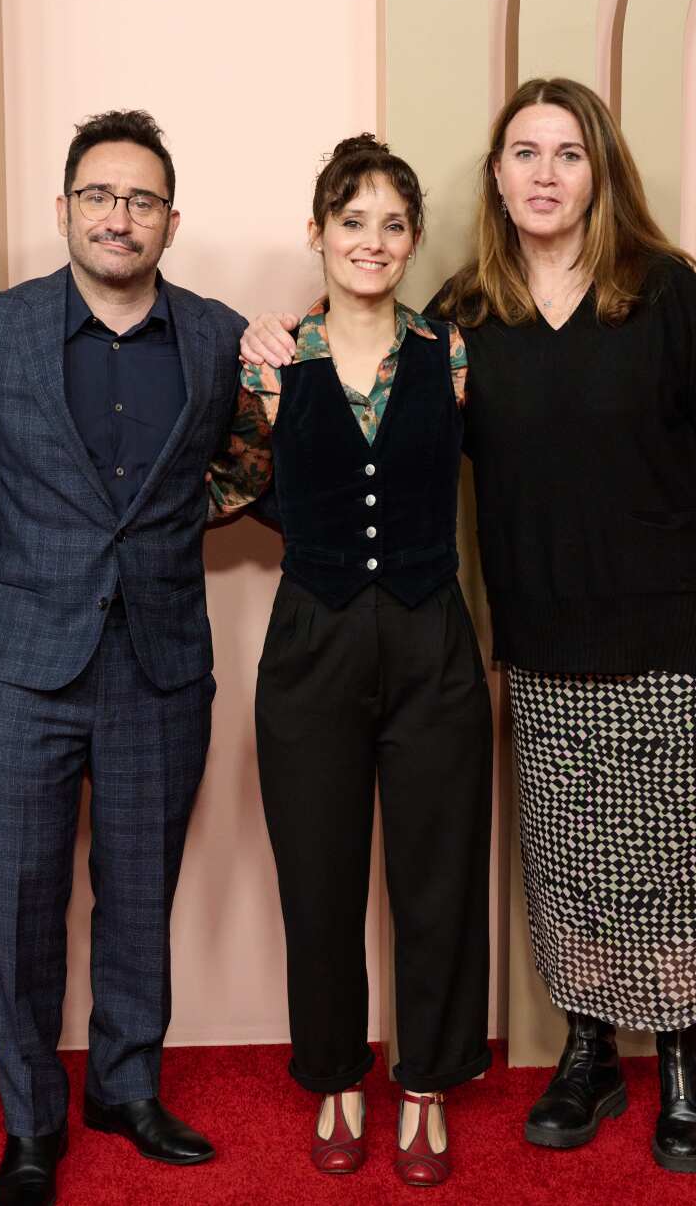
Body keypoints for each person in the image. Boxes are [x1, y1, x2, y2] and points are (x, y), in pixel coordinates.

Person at [243, 77, 696, 1175]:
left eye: (566, 153)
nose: (543, 173)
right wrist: (266, 368)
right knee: (568, 859)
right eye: (523, 153)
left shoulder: (657, 293)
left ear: (598, 171)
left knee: (674, 854)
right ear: (494, 174)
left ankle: (676, 1062)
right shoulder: (468, 314)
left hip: (667, 624)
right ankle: (582, 1051)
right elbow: (355, 467)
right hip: (530, 636)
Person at [0, 109, 249, 1206]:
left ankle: (125, 1085)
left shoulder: (218, 338)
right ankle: (30, 1123)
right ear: (63, 209)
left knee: (138, 895)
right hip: (24, 664)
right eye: (97, 196)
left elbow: (247, 468)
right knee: (21, 900)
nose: (118, 216)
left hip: (160, 661)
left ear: (171, 218)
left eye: (140, 199)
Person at [208, 135, 492, 1187]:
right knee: (318, 876)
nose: (370, 241)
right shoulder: (276, 361)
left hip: (431, 639)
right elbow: (222, 488)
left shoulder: (452, 356)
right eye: (351, 220)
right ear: (318, 233)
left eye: (391, 222)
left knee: (437, 870)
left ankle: (425, 1081)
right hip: (312, 642)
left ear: (412, 238)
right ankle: (334, 1073)